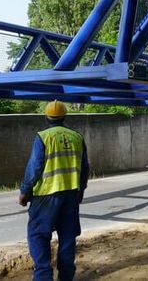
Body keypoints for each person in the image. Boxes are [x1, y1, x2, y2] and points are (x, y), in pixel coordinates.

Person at [19, 100, 89, 281]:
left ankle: (43, 276)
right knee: (67, 237)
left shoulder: (43, 137)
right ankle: (66, 277)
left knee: (39, 235)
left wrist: (25, 191)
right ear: (65, 116)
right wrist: (80, 191)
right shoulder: (77, 137)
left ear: (47, 117)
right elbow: (85, 168)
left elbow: (34, 168)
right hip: (71, 194)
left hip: (46, 196)